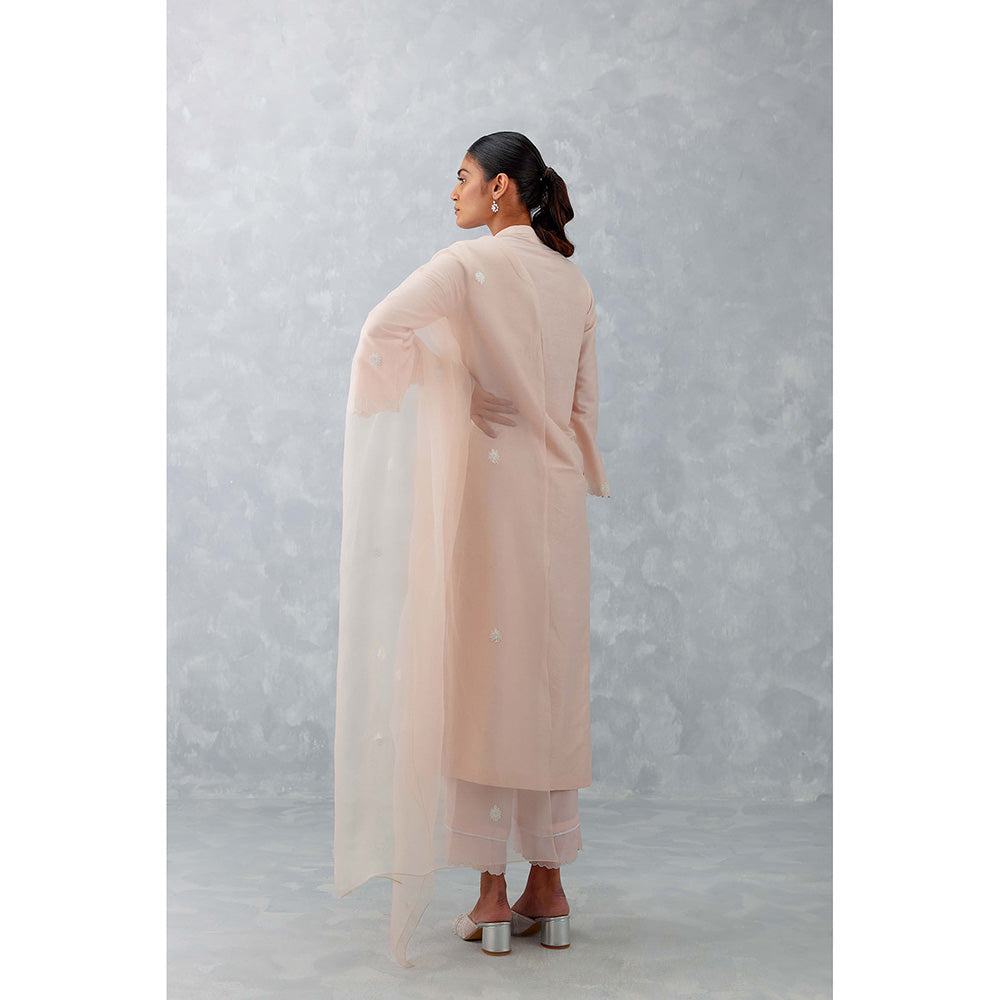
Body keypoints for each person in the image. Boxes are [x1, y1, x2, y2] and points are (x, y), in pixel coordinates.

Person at [333, 131, 610, 968]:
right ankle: (549, 886)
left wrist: (453, 378)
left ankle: (492, 894)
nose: (450, 193)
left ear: (500, 190)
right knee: (548, 680)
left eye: (461, 177)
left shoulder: (467, 267)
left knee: (488, 679)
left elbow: (381, 331)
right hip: (557, 505)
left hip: (489, 503)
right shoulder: (573, 283)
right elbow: (582, 413)